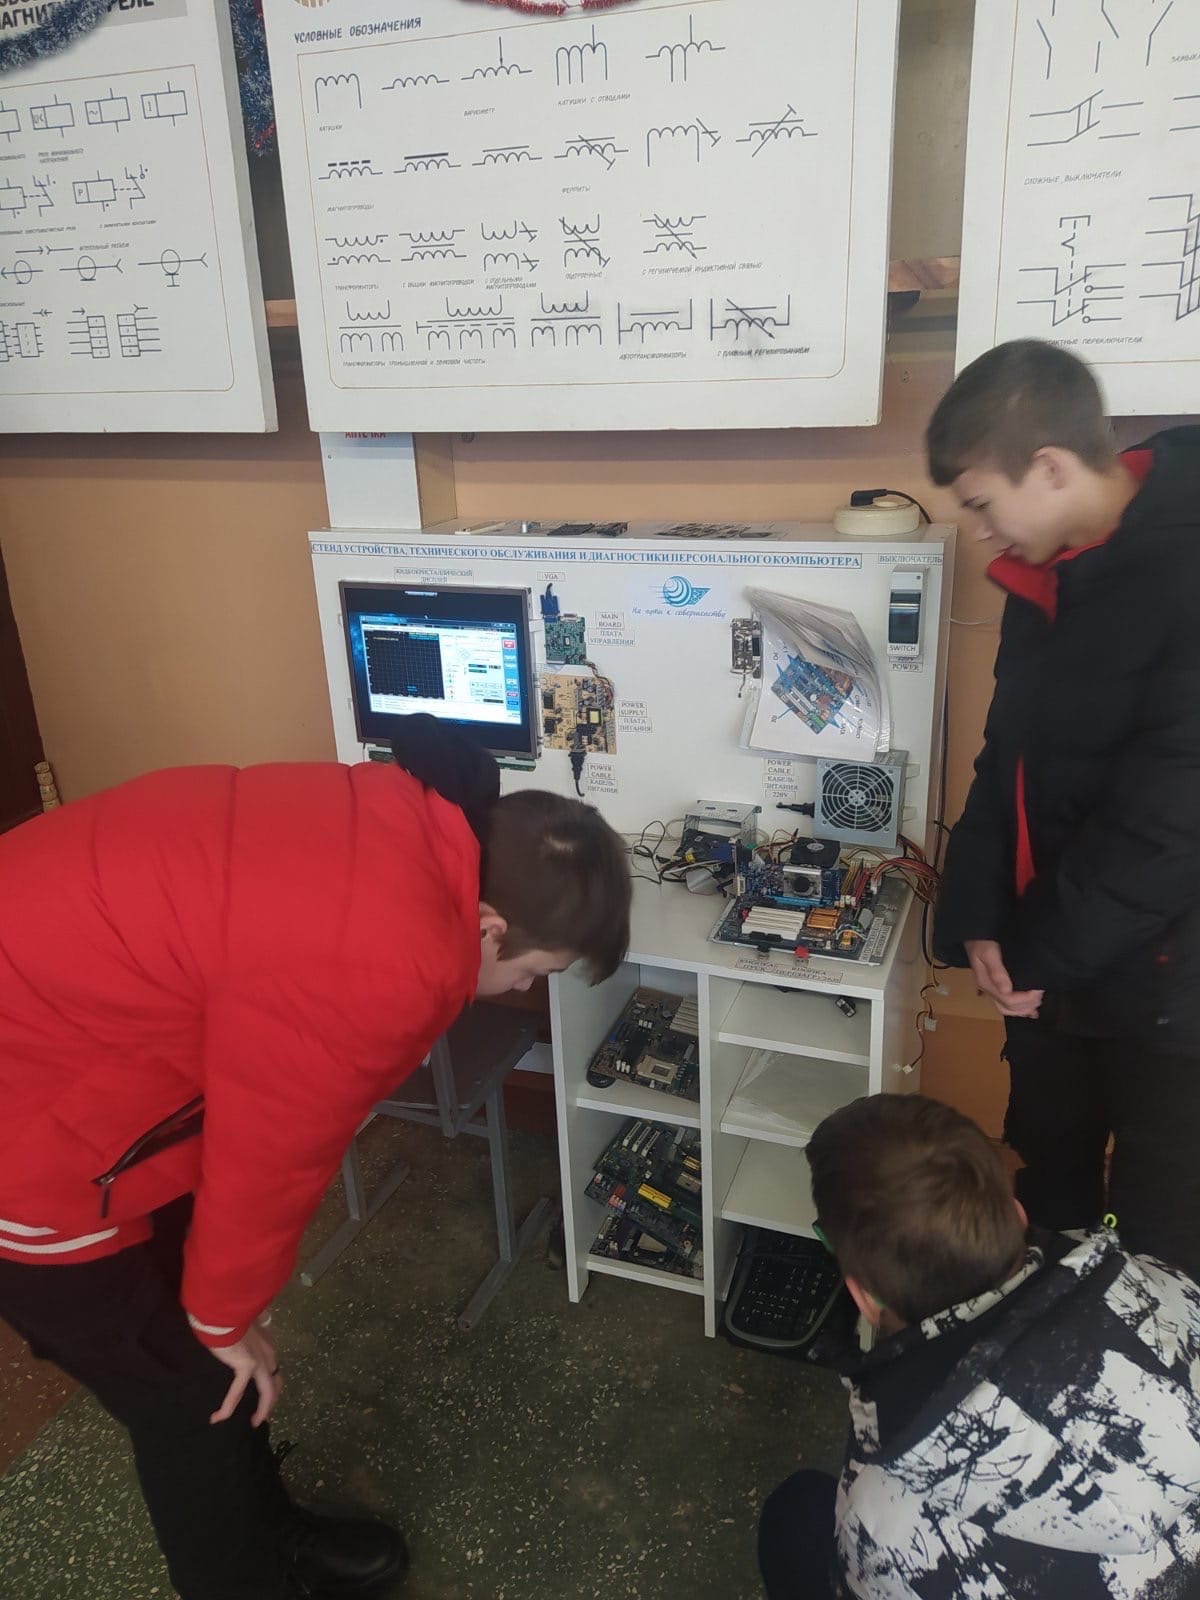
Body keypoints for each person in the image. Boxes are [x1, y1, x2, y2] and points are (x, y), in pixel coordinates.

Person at [0, 714, 631, 1600]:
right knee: (193, 1392)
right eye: (536, 971)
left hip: (92, 1044)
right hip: (28, 1125)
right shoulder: (390, 957)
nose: (525, 988)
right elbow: (272, 1157)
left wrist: (220, 1308)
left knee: (212, 1342)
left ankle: (267, 1529)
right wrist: (222, 1319)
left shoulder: (417, 815)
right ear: (490, 925)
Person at [925, 339, 1200, 1278]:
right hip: (1051, 971)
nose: (977, 533)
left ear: (1048, 467)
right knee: (1053, 1186)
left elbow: (1166, 829)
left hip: (1167, 990)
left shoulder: (1183, 572)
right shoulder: (1046, 567)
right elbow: (1007, 757)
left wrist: (1031, 954)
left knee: (1164, 1232)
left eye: (979, 504)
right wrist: (979, 921)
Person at [758, 1094, 1200, 1600]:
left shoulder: (880, 1517)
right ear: (1016, 1213)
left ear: (864, 1297)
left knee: (793, 1514)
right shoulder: (1171, 1291)